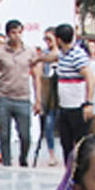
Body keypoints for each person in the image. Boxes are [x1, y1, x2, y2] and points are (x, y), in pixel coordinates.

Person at [53, 24, 95, 162]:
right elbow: (51, 57)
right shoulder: (62, 55)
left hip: (77, 107)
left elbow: (89, 77)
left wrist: (88, 102)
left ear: (58, 40)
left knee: (80, 145)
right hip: (65, 106)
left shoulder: (77, 55)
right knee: (66, 143)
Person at [36, 28, 60, 166]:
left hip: (62, 92)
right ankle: (51, 153)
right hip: (48, 91)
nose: (48, 42)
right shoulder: (43, 55)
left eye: (50, 39)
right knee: (48, 124)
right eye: (46, 39)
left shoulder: (63, 54)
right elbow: (39, 76)